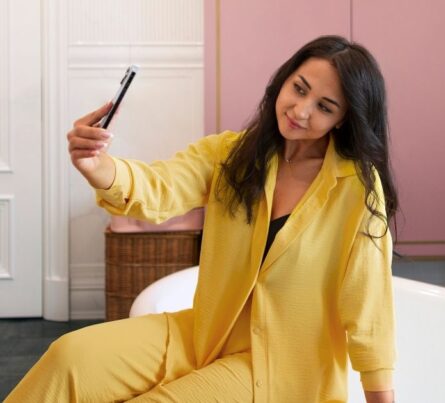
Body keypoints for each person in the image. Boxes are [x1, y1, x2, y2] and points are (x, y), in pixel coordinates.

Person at [7, 35, 397, 403]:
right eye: (299, 88)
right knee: (68, 357)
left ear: (343, 119)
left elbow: (368, 304)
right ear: (285, 79)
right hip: (203, 334)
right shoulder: (232, 153)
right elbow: (160, 187)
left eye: (324, 107)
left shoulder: (357, 189)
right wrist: (98, 167)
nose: (300, 110)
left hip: (280, 367)